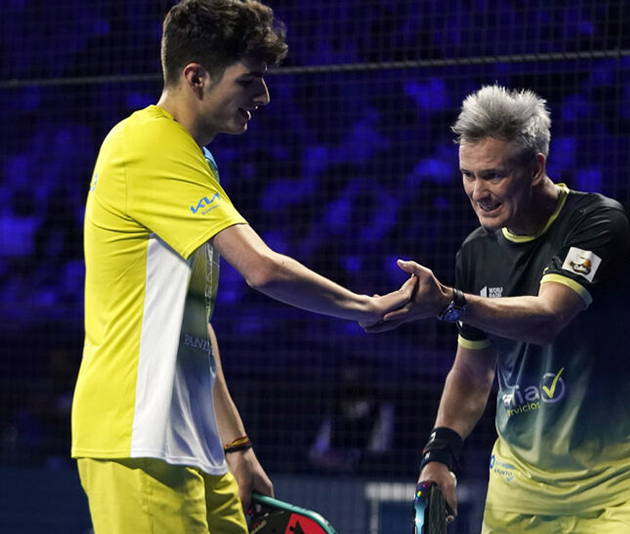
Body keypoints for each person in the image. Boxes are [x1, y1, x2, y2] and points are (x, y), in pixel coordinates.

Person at [70, 1, 414, 533]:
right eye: (249, 81)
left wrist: (237, 446)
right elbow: (262, 268)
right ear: (196, 77)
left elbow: (193, 325)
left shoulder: (196, 159)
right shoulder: (147, 144)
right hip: (137, 436)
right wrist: (366, 308)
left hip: (192, 440)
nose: (264, 95)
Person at [367, 85, 630, 533]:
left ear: (535, 168)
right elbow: (472, 373)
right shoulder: (475, 253)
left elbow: (548, 318)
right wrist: (439, 456)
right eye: (468, 175)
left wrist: (452, 302)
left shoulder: (598, 223)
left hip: (620, 491)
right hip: (518, 496)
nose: (478, 192)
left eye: (493, 175)